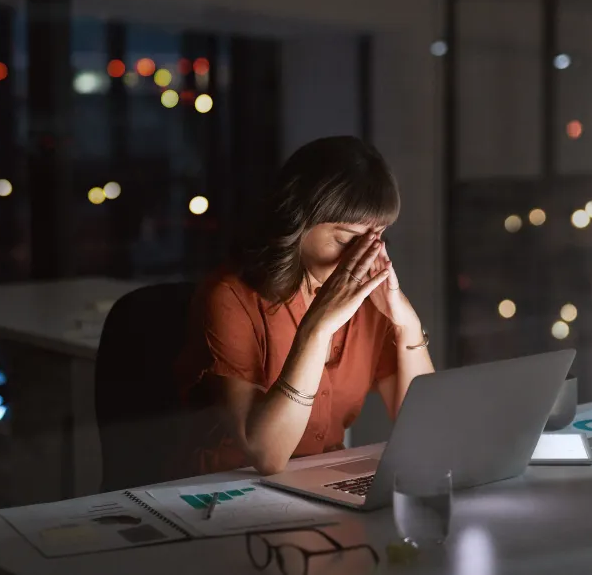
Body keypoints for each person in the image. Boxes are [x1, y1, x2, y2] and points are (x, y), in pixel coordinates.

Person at [175, 136, 435, 476]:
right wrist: (319, 327)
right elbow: (266, 455)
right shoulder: (230, 298)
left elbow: (426, 431)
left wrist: (407, 323)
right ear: (298, 221)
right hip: (225, 495)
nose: (364, 255)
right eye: (346, 239)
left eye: (377, 237)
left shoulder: (370, 304)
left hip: (317, 484)